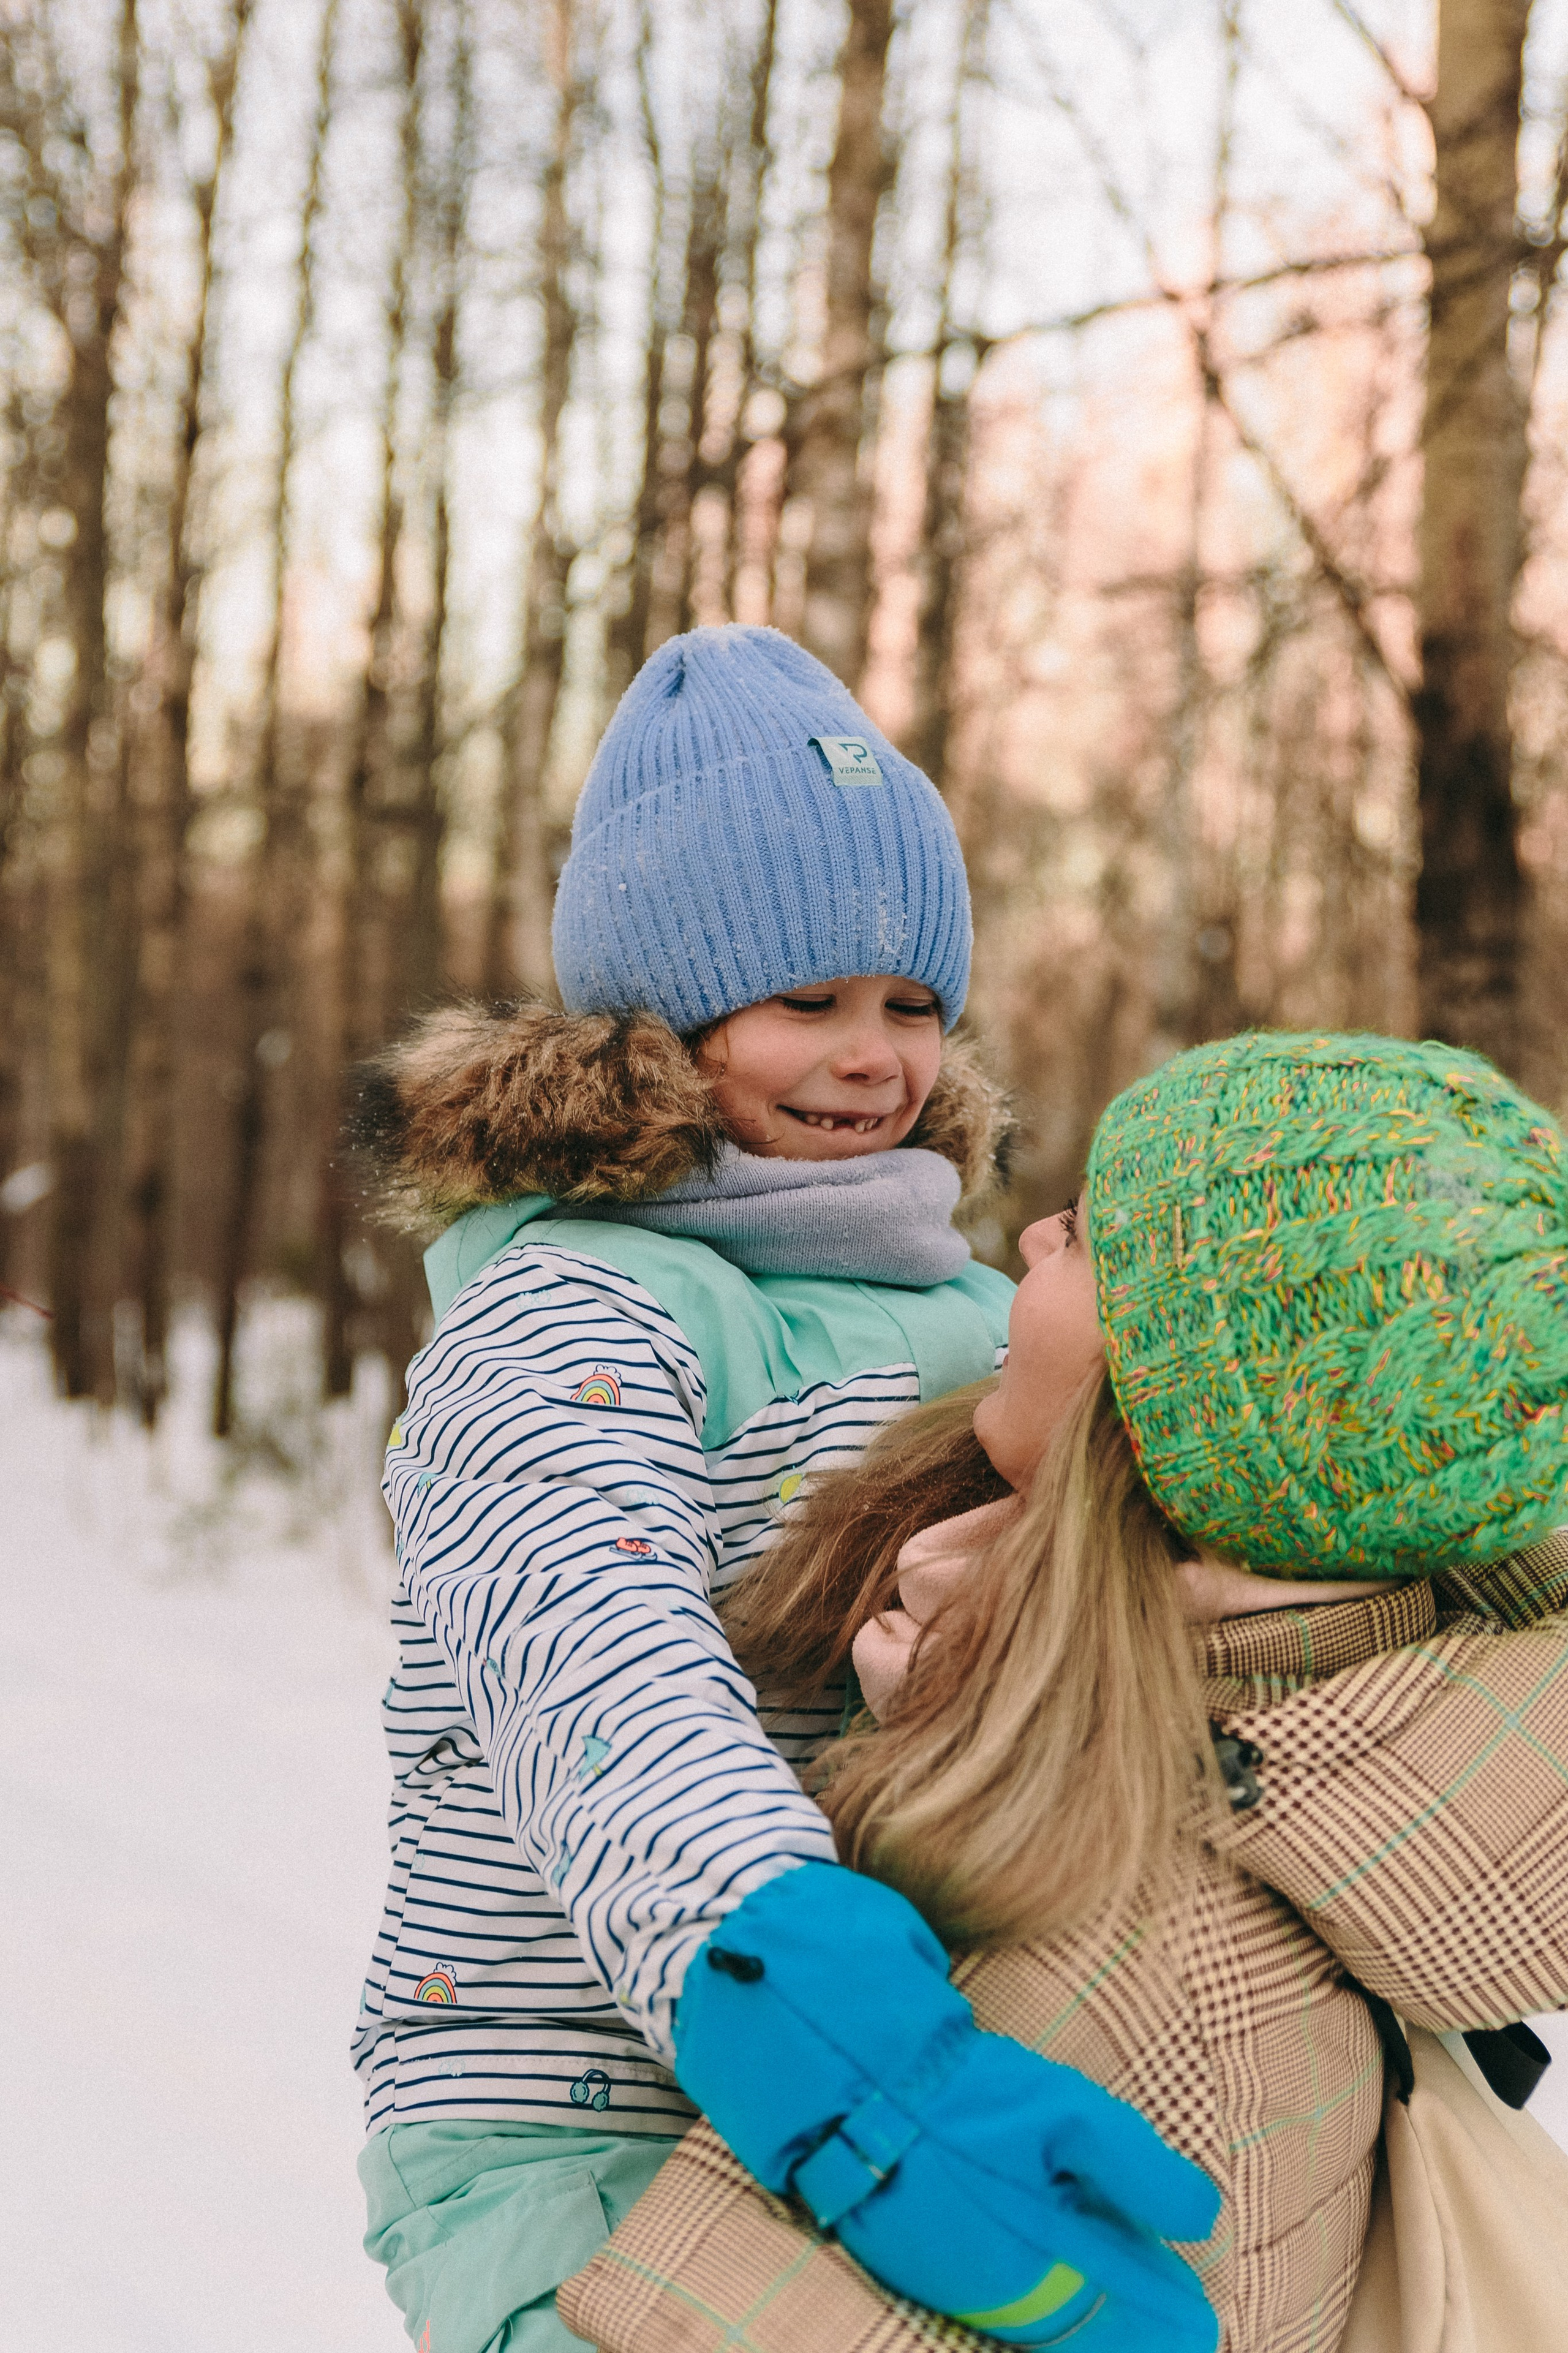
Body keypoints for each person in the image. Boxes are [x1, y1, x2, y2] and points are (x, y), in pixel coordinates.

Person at [351, 625, 1220, 2353]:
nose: (871, 1055)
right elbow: (595, 1665)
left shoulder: (981, 1314)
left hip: (926, 2063)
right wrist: (807, 2011)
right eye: (805, 999)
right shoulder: (571, 1307)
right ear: (660, 1025)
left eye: (911, 1005)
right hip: (574, 2109)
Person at [558, 1027, 1568, 2353]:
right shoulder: (1319, 1748)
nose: (1033, 1238)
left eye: (1085, 1240)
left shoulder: (1100, 1942)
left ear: (1157, 1407)